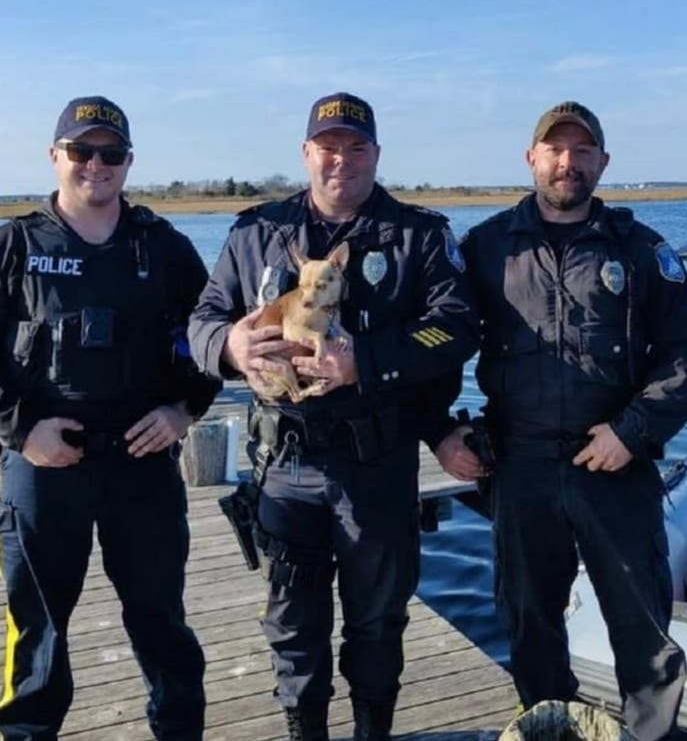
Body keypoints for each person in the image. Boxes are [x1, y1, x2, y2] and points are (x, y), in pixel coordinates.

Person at [188, 92, 477, 741]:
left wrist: (365, 361)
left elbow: (455, 331)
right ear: (305, 153)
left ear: (375, 154)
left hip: (376, 464)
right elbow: (202, 320)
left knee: (377, 625)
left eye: (355, 147)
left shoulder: (418, 236)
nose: (339, 160)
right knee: (293, 627)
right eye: (327, 147)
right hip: (284, 464)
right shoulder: (254, 233)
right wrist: (229, 348)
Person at [0, 96, 220, 741]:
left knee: (161, 619)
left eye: (111, 153)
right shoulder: (9, 246)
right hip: (44, 464)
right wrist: (23, 431)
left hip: (142, 463)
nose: (96, 164)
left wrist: (183, 412)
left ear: (128, 163)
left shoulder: (166, 248)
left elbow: (209, 344)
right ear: (56, 157)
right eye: (82, 151)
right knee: (39, 627)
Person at [435, 101, 687, 741]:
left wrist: (633, 431)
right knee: (529, 621)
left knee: (642, 630)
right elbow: (440, 342)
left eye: (582, 150)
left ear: (602, 162)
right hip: (521, 465)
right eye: (554, 149)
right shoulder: (486, 247)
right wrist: (441, 431)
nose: (568, 162)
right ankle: (545, 729)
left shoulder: (641, 250)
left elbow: (686, 352)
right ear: (531, 158)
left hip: (613, 462)